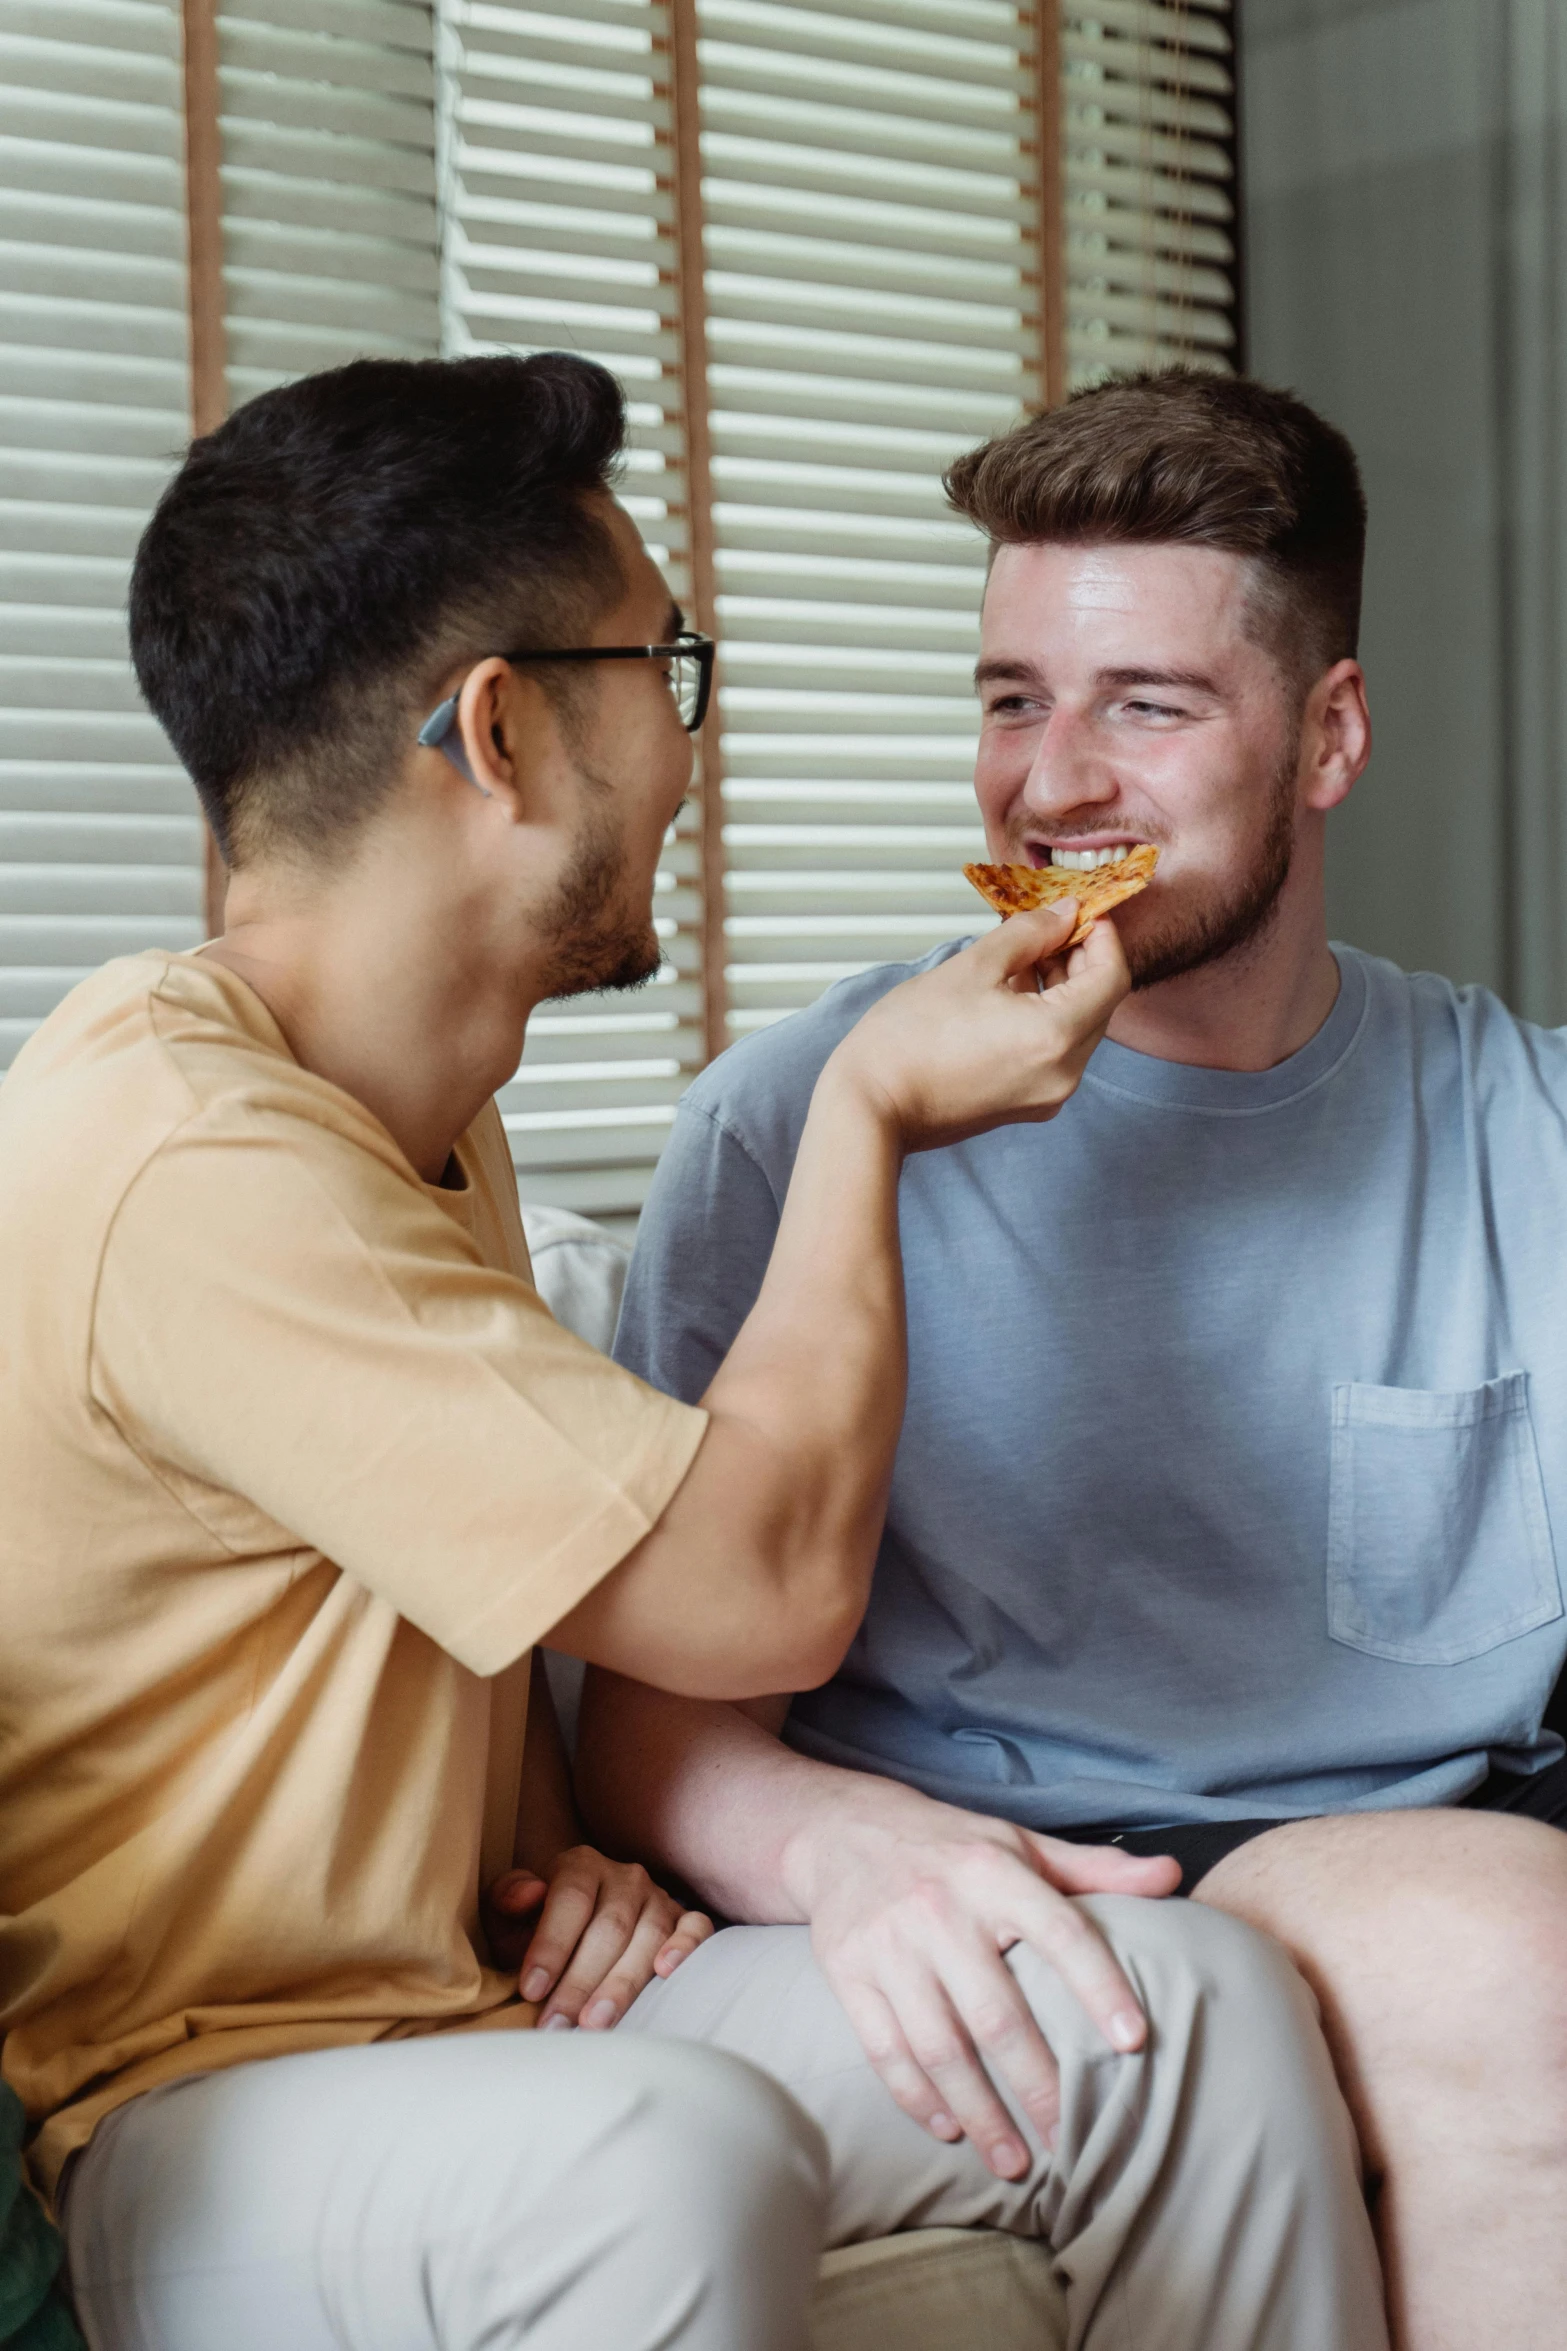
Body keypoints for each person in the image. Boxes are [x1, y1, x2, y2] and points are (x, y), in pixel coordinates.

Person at [0, 354, 1385, 2351]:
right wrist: (871, 1115)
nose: (691, 744)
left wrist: (576, 1853)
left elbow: (476, 1633)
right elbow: (755, 1589)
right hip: (179, 2117)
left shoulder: (414, 1114)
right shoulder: (186, 1161)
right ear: (503, 736)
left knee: (1177, 2021)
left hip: (475, 2010)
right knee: (659, 2152)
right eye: (670, 667)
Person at [602, 369, 1567, 2351]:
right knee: (1506, 1959)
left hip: (1446, 1813)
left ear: (1332, 734)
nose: (1051, 785)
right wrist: (839, 1838)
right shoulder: (795, 1121)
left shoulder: (1522, 1129)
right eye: (1010, 698)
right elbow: (638, 1714)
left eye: (1149, 704)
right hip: (1027, 1855)